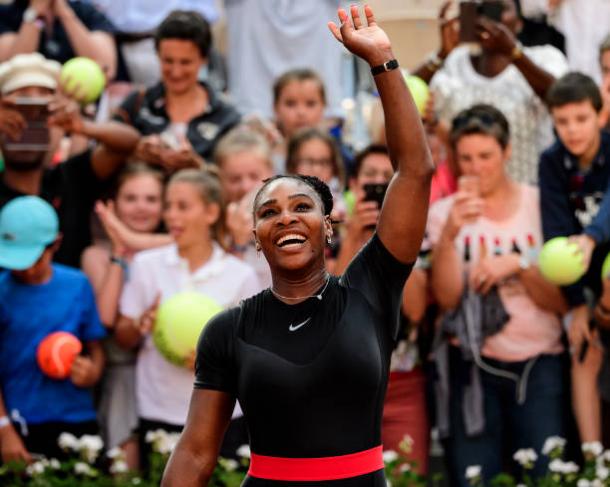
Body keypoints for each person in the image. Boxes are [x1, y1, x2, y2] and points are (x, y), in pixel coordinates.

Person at [161, 5, 433, 486]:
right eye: (268, 211)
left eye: (302, 206)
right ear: (258, 240)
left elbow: (414, 170)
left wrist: (383, 61)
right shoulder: (228, 330)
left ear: (328, 226)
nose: (285, 216)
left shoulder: (371, 291)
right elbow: (197, 453)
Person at [428, 104, 568, 485]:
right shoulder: (443, 213)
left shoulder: (540, 204)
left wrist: (519, 265)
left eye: (486, 156)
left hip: (540, 362)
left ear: (506, 152)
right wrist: (448, 237)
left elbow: (560, 302)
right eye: (466, 158)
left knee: (547, 474)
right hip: (473, 365)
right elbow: (446, 299)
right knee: (475, 477)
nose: (476, 168)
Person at [114, 168, 260, 467]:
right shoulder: (146, 265)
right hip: (158, 410)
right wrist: (140, 324)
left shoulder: (241, 275)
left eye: (182, 206)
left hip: (222, 415)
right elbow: (122, 335)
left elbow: (254, 354)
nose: (171, 216)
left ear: (210, 212)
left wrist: (217, 365)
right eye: (168, 206)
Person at [334, 143, 430, 474]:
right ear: (353, 186)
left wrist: (396, 237)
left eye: (387, 178)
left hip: (402, 382)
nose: (378, 184)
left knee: (408, 477)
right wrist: (352, 239)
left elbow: (416, 311)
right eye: (369, 177)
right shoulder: (330, 234)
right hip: (342, 387)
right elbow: (327, 311)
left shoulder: (417, 233)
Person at [0, 52, 140, 267]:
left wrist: (84, 127)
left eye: (39, 112)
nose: (26, 124)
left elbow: (129, 142)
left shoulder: (72, 177)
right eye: (19, 110)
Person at [0, 196, 106, 462]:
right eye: (15, 260)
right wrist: (3, 429)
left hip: (75, 419)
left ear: (56, 244)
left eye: (33, 259)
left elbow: (96, 349)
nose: (24, 269)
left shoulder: (78, 285)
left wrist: (92, 372)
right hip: (18, 422)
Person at [421, 0, 568, 184]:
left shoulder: (544, 58)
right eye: (482, 9)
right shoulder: (454, 62)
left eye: (499, 8)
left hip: (528, 190)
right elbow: (406, 98)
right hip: (465, 191)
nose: (489, 17)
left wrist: (513, 52)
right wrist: (442, 54)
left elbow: (562, 99)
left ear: (520, 22)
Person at [539, 72, 610, 445]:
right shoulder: (551, 162)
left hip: (604, 261)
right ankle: (592, 461)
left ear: (599, 115)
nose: (572, 130)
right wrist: (576, 306)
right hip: (582, 280)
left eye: (581, 119)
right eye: (562, 121)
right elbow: (555, 233)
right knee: (584, 348)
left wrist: (592, 237)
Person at [81, 163, 165, 469]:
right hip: (122, 371)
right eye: (131, 198)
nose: (141, 207)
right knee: (125, 463)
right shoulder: (96, 254)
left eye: (151, 199)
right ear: (113, 205)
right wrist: (120, 248)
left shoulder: (174, 252)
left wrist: (135, 239)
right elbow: (105, 318)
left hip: (166, 371)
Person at [113, 10, 240, 170]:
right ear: (157, 55)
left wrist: (198, 167)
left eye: (185, 62)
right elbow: (104, 158)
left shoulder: (226, 114)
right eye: (168, 61)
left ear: (204, 60)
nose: (176, 72)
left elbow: (235, 177)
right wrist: (135, 152)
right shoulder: (137, 103)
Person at [215, 125, 274, 289]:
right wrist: (238, 242)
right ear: (221, 181)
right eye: (234, 179)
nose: (245, 186)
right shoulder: (211, 224)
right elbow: (225, 293)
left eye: (254, 176)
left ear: (271, 174)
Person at [0, 0, 116, 80]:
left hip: (78, 103)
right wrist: (35, 13)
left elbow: (106, 69)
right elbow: (11, 68)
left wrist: (65, 13)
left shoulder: (86, 13)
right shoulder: (6, 14)